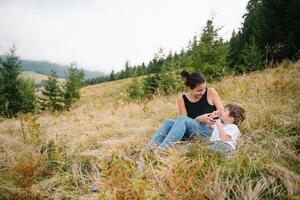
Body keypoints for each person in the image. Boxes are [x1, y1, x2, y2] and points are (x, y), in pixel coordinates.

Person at [146, 70, 224, 150]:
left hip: (211, 131)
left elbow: (223, 114)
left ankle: (160, 151)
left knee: (182, 119)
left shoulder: (210, 92)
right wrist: (198, 119)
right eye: (199, 90)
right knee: (168, 122)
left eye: (204, 88)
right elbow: (183, 124)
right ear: (190, 88)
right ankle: (146, 151)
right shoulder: (182, 100)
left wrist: (214, 115)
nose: (203, 92)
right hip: (193, 133)